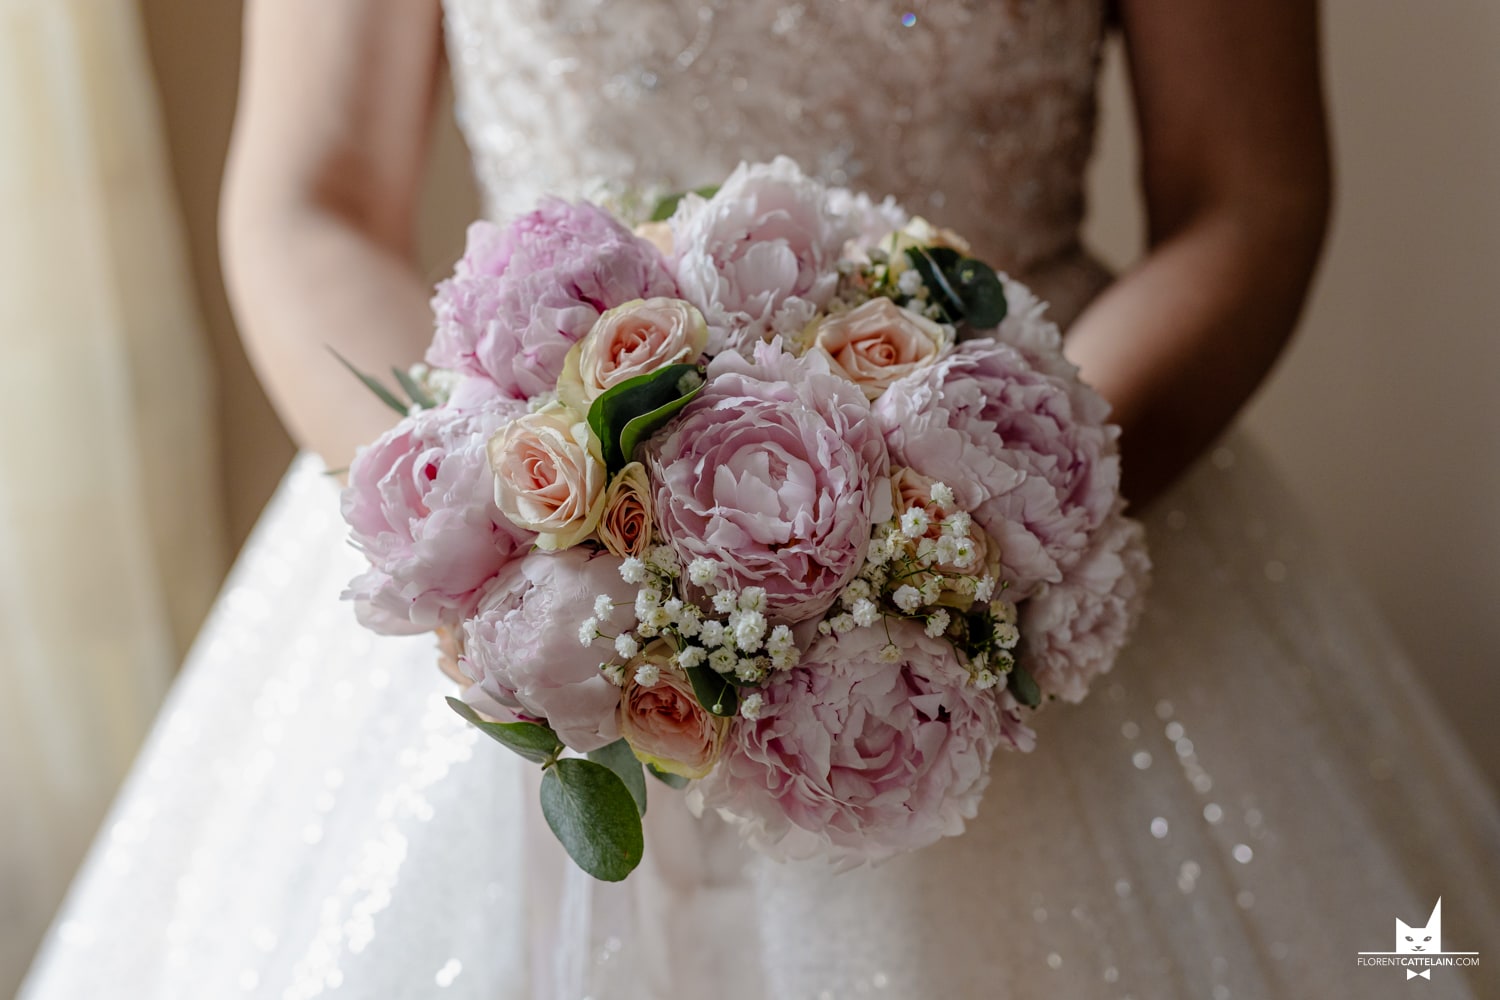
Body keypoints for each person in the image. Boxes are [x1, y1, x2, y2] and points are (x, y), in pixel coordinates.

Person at [21, 1, 1500, 997]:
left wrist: (948, 543)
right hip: (531, 555)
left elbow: (1249, 195)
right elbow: (310, 196)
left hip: (1029, 525)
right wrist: (493, 526)